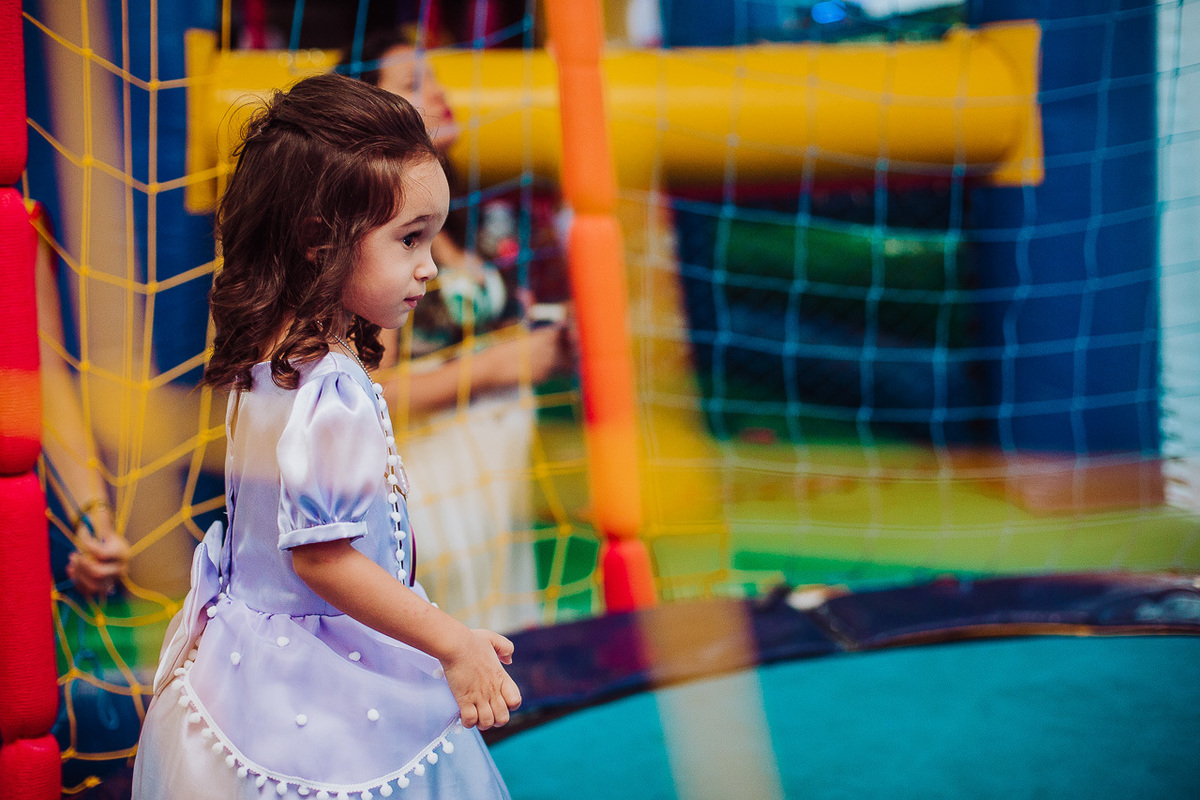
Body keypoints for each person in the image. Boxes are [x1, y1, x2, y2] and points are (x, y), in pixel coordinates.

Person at [132, 74, 520, 799]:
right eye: (410, 240)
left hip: (242, 660)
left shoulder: (270, 357)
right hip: (319, 673)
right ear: (321, 241)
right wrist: (451, 641)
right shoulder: (331, 388)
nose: (429, 266)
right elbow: (322, 560)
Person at [352, 29, 575, 633]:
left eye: (437, 76)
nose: (440, 92)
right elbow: (369, 398)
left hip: (492, 492)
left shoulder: (458, 217)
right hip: (432, 489)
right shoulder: (379, 230)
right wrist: (500, 368)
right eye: (414, 83)